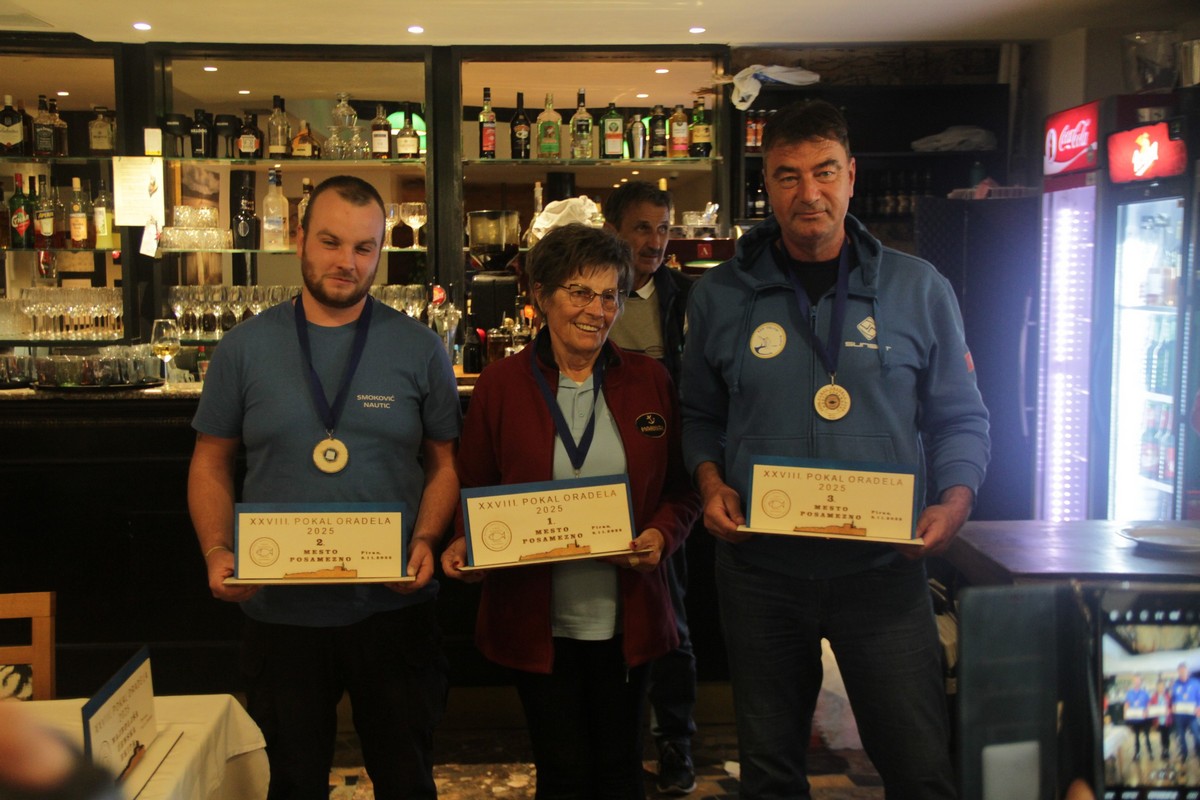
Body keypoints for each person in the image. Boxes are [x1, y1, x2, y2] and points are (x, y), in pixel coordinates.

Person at [680, 99, 989, 799]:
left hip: (883, 571)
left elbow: (961, 417)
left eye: (824, 171)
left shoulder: (919, 288)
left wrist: (955, 501)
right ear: (767, 184)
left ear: (851, 175)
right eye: (787, 175)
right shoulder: (720, 295)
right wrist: (709, 482)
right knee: (770, 774)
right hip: (761, 572)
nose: (808, 193)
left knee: (919, 769)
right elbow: (698, 415)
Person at [188, 175, 461, 800]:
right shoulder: (244, 347)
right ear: (300, 240)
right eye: (331, 242)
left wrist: (425, 538)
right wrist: (217, 549)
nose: (347, 262)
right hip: (281, 611)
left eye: (364, 248)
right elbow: (209, 462)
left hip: (393, 608)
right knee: (291, 782)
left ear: (381, 251)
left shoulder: (420, 348)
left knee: (408, 780)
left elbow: (445, 463)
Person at [441, 223, 700, 799]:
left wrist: (661, 535)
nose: (597, 310)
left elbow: (682, 490)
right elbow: (474, 485)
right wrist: (466, 542)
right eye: (580, 292)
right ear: (542, 295)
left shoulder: (650, 380)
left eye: (610, 295)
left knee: (620, 771)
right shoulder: (502, 385)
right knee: (562, 773)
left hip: (627, 617)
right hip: (537, 620)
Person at [603, 181, 698, 795]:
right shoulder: (592, 290)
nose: (655, 242)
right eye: (642, 228)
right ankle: (616, 748)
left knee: (670, 615)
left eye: (663, 230)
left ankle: (675, 741)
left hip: (663, 474)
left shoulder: (687, 297)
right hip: (593, 472)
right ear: (612, 229)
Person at [1169, 662, 1200, 764]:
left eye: (1184, 671)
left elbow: (1199, 697)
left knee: (1196, 734)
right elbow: (1173, 698)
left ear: (1187, 671)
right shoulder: (1175, 685)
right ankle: (1184, 754)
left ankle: (1198, 752)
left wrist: (1199, 707)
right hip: (1179, 715)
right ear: (1178, 672)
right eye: (1180, 671)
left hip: (1192, 714)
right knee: (1181, 736)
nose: (1182, 673)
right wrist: (1173, 705)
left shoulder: (1195, 683)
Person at [1123, 674, 1153, 759]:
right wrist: (1125, 713)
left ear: (1141, 682)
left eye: (1138, 680)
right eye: (1135, 680)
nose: (1137, 682)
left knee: (1147, 736)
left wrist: (1147, 711)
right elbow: (1127, 704)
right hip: (1134, 719)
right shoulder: (1129, 693)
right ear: (1133, 681)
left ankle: (1150, 752)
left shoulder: (1145, 693)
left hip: (1144, 719)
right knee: (1136, 737)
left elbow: (1149, 704)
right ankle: (1137, 753)